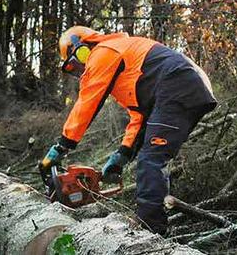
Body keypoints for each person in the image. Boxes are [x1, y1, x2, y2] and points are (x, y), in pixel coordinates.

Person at [38, 26, 217, 235]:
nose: (80, 71)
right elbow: (139, 116)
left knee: (151, 159)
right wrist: (122, 155)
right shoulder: (127, 65)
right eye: (73, 70)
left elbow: (87, 103)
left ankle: (152, 232)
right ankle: (153, 224)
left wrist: (62, 145)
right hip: (186, 85)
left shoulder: (105, 51)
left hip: (178, 83)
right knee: (154, 155)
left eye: (77, 64)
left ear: (83, 47)